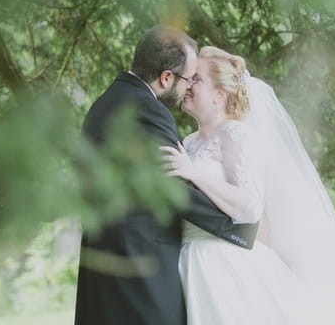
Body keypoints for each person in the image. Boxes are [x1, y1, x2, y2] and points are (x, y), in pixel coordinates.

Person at [161, 46, 335, 324]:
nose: (187, 84)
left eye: (197, 79)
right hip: (190, 258)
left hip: (225, 262)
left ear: (220, 95)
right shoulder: (189, 142)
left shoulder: (235, 135)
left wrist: (193, 173)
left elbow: (249, 208)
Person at [74, 26, 259, 325]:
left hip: (115, 256)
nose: (189, 87)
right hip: (138, 263)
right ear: (166, 77)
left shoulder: (106, 102)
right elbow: (172, 187)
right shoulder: (147, 109)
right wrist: (238, 229)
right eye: (189, 78)